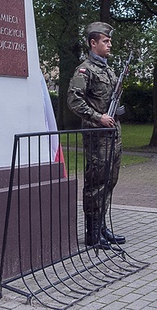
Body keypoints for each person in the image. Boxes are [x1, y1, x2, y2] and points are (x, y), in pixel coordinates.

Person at [67, 22, 126, 249]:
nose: (109, 44)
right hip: (97, 135)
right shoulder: (85, 70)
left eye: (109, 41)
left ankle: (101, 226)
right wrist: (97, 117)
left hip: (113, 134)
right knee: (96, 183)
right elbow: (74, 100)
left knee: (110, 181)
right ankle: (92, 232)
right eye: (105, 41)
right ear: (93, 43)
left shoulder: (108, 70)